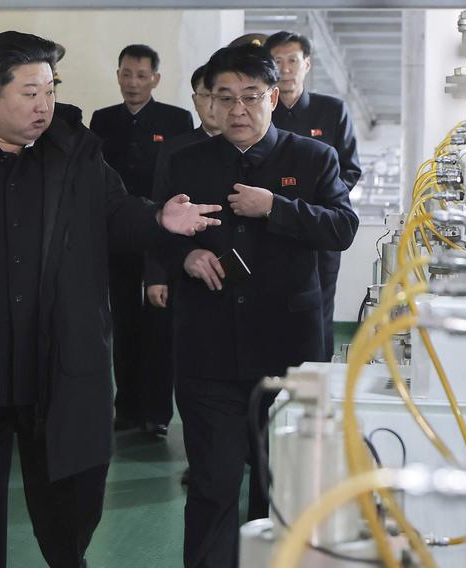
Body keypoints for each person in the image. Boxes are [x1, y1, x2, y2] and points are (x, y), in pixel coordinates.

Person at [0, 31, 221, 568]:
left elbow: (115, 212)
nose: (44, 106)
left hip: (56, 359)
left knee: (71, 499)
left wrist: (158, 218)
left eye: (50, 91)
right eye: (30, 93)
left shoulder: (75, 152)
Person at [155, 44, 358, 567]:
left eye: (250, 97)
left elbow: (342, 229)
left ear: (273, 97)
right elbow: (156, 234)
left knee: (283, 489)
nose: (238, 110)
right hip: (208, 351)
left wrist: (277, 207)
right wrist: (186, 256)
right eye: (226, 98)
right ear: (211, 104)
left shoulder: (313, 158)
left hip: (287, 352)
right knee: (213, 484)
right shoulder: (184, 160)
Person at [89, 44, 194, 434]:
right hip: (116, 234)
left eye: (141, 75)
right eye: (126, 74)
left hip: (161, 234)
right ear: (118, 75)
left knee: (158, 324)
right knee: (122, 322)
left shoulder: (176, 119)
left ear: (156, 79)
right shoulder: (102, 120)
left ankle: (156, 414)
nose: (132, 83)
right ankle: (127, 407)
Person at [264, 30, 363, 361]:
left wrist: (315, 207)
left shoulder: (331, 110)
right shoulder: (260, 111)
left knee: (319, 311)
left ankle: (319, 382)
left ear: (306, 64)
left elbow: (349, 170)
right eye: (277, 61)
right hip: (268, 229)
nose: (285, 68)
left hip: (318, 231)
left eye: (293, 60)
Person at [145, 63, 223, 483]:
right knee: (190, 373)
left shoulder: (247, 147)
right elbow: (158, 213)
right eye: (206, 96)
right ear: (195, 100)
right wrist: (158, 272)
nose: (214, 105)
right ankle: (200, 457)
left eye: (222, 95)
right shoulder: (176, 150)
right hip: (188, 275)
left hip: (240, 281)